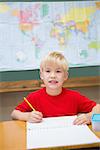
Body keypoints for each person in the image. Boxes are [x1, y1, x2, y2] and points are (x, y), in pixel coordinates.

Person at [11, 51, 100, 125]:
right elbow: (14, 114)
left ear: (65, 76)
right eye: (48, 71)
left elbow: (98, 108)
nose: (53, 76)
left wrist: (89, 117)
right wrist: (27, 116)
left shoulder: (74, 97)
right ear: (41, 75)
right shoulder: (34, 97)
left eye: (58, 71)